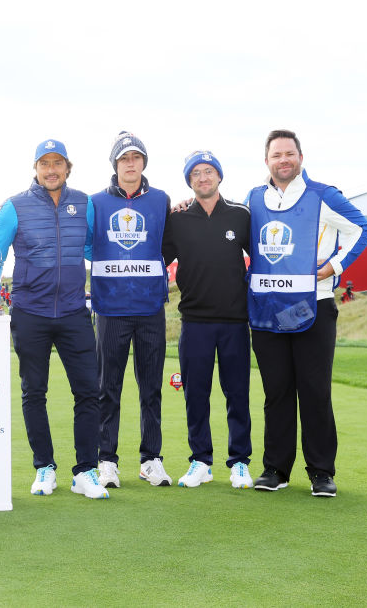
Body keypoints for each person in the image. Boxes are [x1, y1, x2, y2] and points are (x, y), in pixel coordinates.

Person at [248, 129, 367, 497]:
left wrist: (333, 267)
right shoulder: (254, 198)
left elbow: (361, 229)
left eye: (289, 153)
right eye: (276, 154)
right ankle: (276, 469)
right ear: (266, 160)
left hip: (312, 305)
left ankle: (321, 471)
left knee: (314, 390)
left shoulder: (322, 195)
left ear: (300, 157)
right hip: (269, 308)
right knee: (277, 391)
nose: (283, 160)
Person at [0, 139, 108, 500]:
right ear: (36, 168)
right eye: (45, 163)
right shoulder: (14, 206)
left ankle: (86, 470)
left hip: (74, 312)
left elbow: (92, 248)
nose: (51, 169)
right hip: (30, 313)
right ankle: (44, 468)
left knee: (88, 392)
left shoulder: (84, 203)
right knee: (33, 392)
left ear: (68, 168)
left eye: (58, 163)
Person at [161, 150, 253, 489]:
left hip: (234, 321)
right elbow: (156, 258)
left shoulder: (242, 215)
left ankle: (240, 461)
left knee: (237, 393)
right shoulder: (179, 218)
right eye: (196, 173)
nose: (203, 177)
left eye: (209, 171)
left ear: (219, 176)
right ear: (189, 180)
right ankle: (201, 461)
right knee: (195, 394)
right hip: (195, 322)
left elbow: (262, 260)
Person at [87, 132, 173, 488]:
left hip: (151, 306)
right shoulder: (95, 202)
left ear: (143, 163)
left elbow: (168, 244)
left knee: (151, 388)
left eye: (136, 158)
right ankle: (107, 460)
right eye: (125, 159)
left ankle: (150, 459)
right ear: (115, 164)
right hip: (110, 308)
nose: (131, 163)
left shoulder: (162, 200)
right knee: (108, 388)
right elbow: (89, 247)